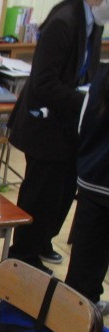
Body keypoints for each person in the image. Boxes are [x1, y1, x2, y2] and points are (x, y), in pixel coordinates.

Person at [7, 0, 105, 274]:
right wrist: (87, 103)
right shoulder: (63, 22)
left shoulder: (93, 23)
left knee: (62, 193)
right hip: (45, 125)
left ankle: (42, 241)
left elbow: (89, 70)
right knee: (41, 193)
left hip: (70, 125)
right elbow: (44, 83)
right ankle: (24, 253)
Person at [65, 62, 109, 316]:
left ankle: (79, 310)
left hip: (93, 178)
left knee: (86, 256)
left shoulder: (102, 75)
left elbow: (82, 126)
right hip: (98, 179)